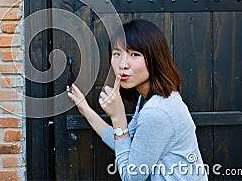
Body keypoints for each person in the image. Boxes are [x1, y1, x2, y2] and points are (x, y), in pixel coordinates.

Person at [67, 19, 208, 181]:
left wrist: (118, 118)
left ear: (155, 57)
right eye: (117, 53)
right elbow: (126, 144)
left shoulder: (157, 112)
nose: (122, 64)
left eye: (134, 54)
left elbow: (132, 176)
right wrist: (85, 108)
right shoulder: (149, 98)